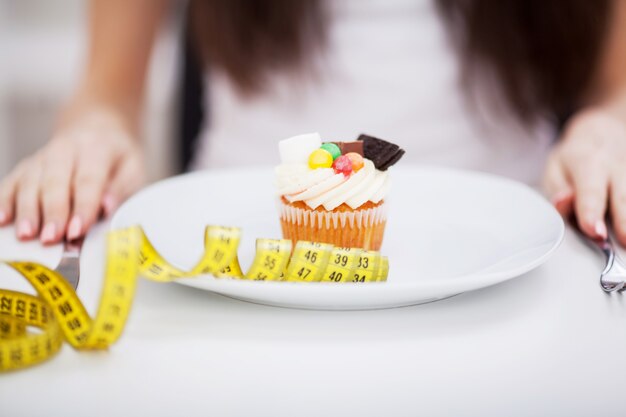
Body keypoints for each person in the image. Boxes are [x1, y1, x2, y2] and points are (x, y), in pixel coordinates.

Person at [1, 0, 625, 246]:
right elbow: (106, 94)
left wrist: (608, 128)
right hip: (234, 264)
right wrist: (94, 135)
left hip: (511, 257)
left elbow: (616, 92)